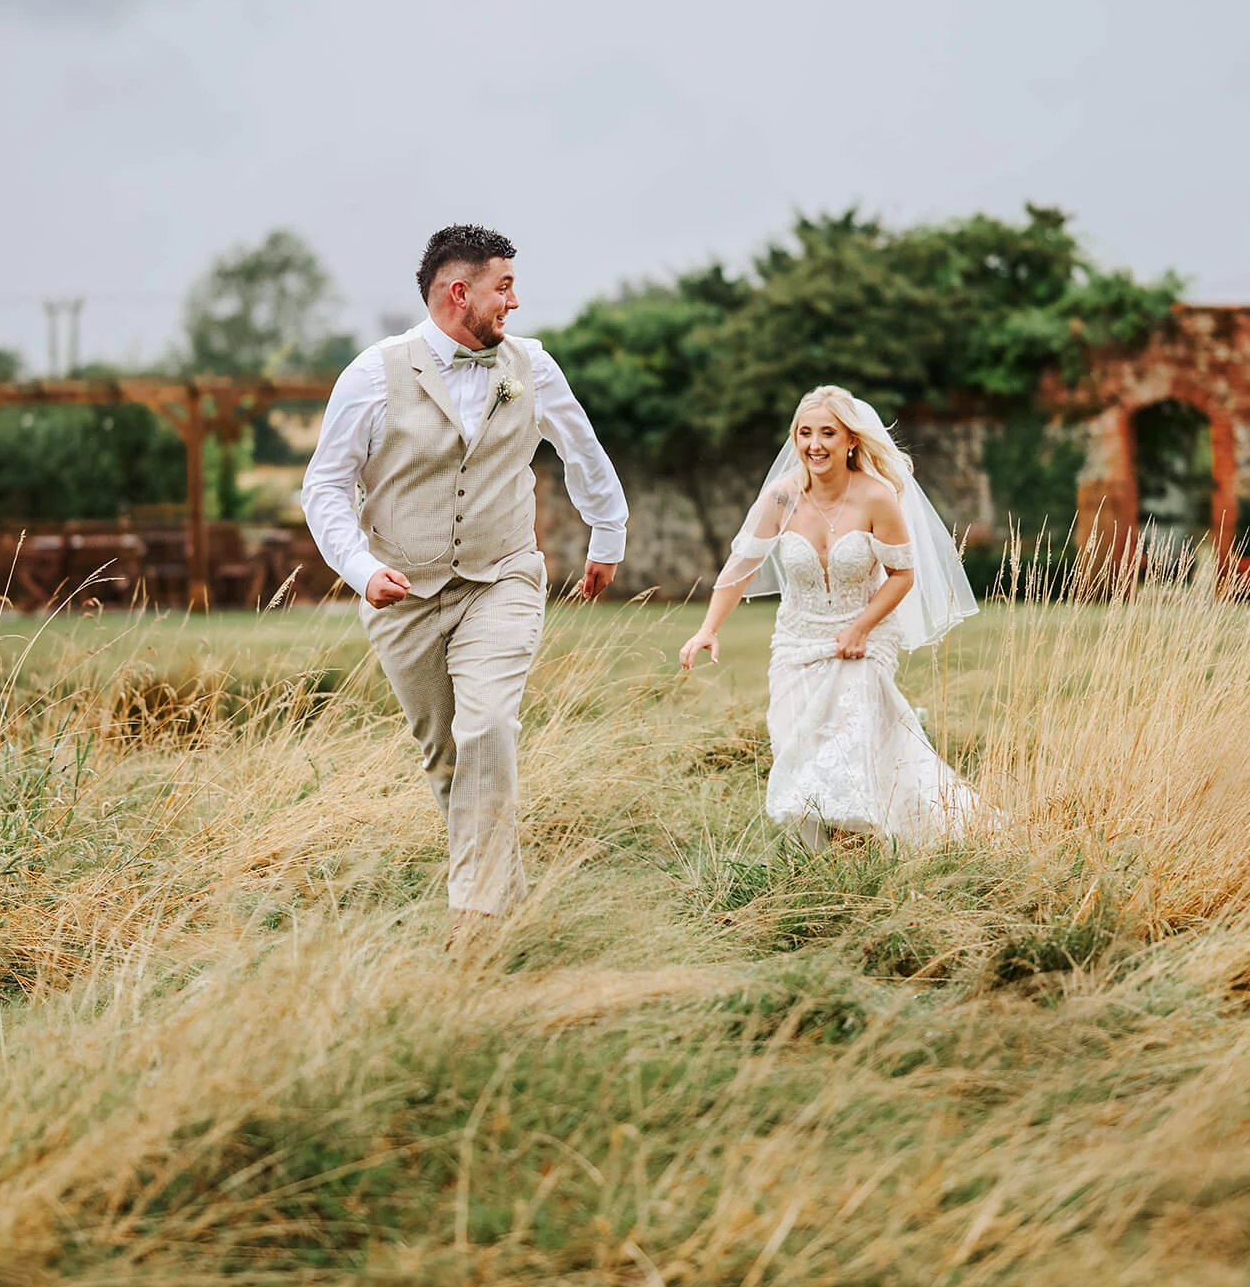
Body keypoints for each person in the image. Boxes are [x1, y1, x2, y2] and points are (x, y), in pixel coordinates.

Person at [302, 225, 628, 941]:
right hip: (402, 594)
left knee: (486, 725)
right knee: (447, 756)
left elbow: (583, 450)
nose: (515, 299)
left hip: (503, 574)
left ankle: (473, 923)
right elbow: (323, 487)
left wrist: (609, 535)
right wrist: (360, 569)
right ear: (461, 292)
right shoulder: (371, 375)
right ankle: (504, 902)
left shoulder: (532, 367)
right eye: (503, 285)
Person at [677, 385, 992, 849]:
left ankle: (854, 859)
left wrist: (860, 627)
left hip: (864, 640)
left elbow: (901, 576)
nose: (814, 444)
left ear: (851, 440)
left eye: (828, 432)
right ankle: (838, 853)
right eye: (805, 433)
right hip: (797, 643)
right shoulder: (781, 499)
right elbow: (739, 567)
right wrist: (708, 628)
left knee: (847, 749)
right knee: (798, 749)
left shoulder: (876, 498)